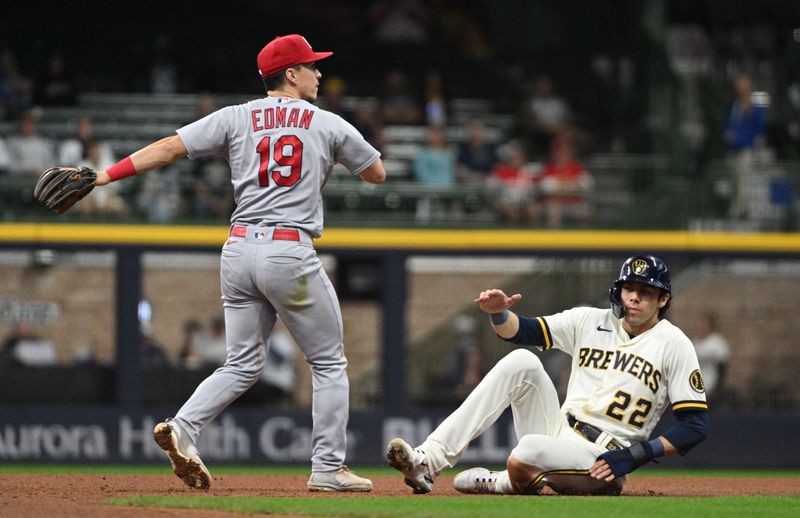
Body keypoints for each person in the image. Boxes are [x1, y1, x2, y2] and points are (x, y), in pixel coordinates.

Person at [80, 34, 386, 492]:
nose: (319, 73)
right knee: (328, 363)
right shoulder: (327, 123)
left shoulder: (236, 116)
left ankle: (183, 427)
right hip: (289, 252)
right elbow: (376, 174)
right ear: (291, 74)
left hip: (239, 250)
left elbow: (168, 147)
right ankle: (327, 467)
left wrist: (102, 176)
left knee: (242, 363)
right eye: (311, 66)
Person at [387, 255, 708, 496]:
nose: (634, 297)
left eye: (646, 291)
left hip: (603, 457)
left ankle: (502, 482)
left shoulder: (674, 344)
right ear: (619, 291)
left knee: (525, 453)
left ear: (663, 299)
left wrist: (636, 455)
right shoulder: (589, 320)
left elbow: (693, 426)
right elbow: (521, 331)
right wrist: (499, 312)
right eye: (629, 288)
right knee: (522, 362)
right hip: (556, 431)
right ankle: (428, 462)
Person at [723, 73, 768, 219]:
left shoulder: (755, 104)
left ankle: (738, 212)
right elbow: (729, 122)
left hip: (745, 149)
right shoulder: (734, 103)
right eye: (738, 85)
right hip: (732, 148)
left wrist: (747, 139)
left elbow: (759, 125)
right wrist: (728, 134)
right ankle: (735, 207)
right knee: (733, 180)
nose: (739, 88)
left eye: (742, 85)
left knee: (742, 179)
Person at [537, 132, 594, 228]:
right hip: (554, 203)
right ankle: (554, 239)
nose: (561, 154)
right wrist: (571, 185)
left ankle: (583, 240)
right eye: (558, 151)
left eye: (565, 151)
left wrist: (561, 185)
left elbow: (587, 184)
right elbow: (546, 186)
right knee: (554, 210)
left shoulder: (577, 168)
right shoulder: (549, 168)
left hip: (574, 202)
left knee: (587, 210)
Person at [691, 312, 730, 400]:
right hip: (696, 388)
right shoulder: (695, 343)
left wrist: (719, 388)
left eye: (703, 324)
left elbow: (722, 367)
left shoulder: (717, 343)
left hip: (712, 387)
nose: (700, 327)